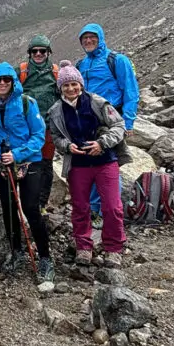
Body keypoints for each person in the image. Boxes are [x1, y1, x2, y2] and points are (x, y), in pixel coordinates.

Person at [0, 63, 55, 282]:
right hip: (1, 162)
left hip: (29, 162)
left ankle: (45, 257)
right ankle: (16, 251)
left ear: (13, 81)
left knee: (30, 208)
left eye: (6, 79)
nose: (2, 83)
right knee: (9, 209)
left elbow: (39, 136)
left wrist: (17, 154)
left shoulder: (27, 103)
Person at [46, 64, 129, 267]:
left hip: (105, 160)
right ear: (60, 88)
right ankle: (83, 247)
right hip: (78, 164)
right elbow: (56, 137)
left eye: (74, 84)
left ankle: (113, 248)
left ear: (81, 84)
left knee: (112, 207)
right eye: (66, 85)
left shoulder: (98, 103)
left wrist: (102, 143)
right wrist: (67, 146)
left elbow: (119, 125)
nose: (70, 89)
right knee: (80, 207)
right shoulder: (55, 111)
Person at [76, 23, 140, 227]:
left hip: (112, 119)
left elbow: (131, 91)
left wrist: (127, 122)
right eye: (84, 38)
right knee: (90, 162)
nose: (88, 41)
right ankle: (95, 210)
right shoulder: (81, 64)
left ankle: (110, 210)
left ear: (100, 38)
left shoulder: (117, 60)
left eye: (92, 37)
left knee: (109, 162)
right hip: (87, 121)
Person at [18, 35, 61, 215]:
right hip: (25, 128)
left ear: (48, 52)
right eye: (34, 51)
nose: (38, 54)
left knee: (46, 165)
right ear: (29, 53)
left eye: (42, 51)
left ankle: (41, 204)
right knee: (23, 163)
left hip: (48, 128)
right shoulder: (21, 71)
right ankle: (24, 203)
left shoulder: (56, 72)